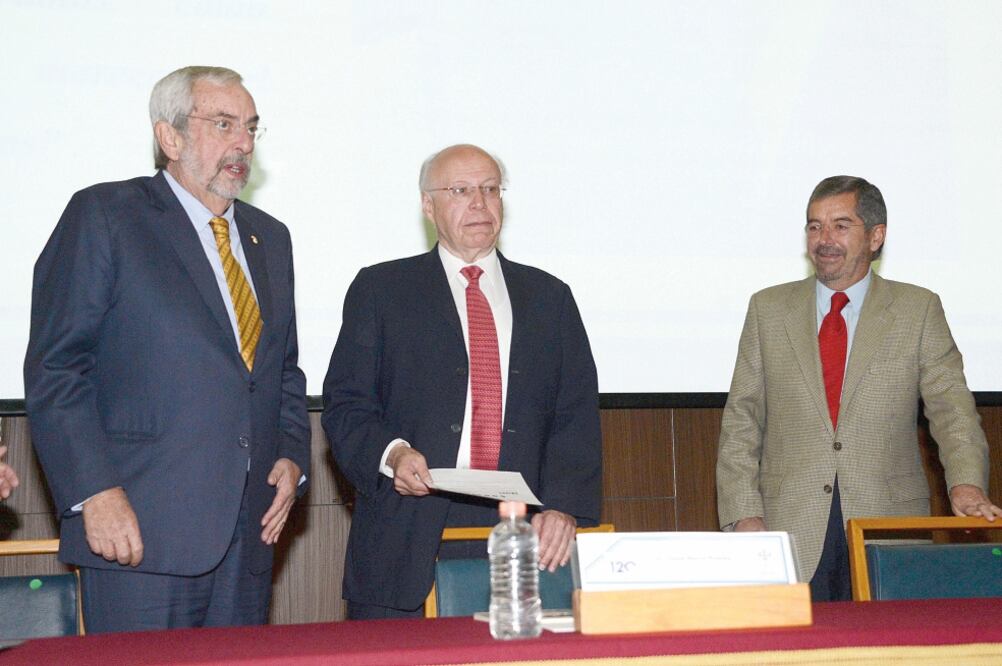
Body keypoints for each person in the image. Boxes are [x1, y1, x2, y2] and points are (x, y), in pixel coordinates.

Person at [23, 66, 310, 632]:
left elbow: (281, 372)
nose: (243, 143)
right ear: (170, 137)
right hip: (138, 533)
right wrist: (93, 493)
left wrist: (292, 456)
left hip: (249, 537)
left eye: (251, 127)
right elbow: (57, 368)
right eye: (223, 124)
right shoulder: (106, 215)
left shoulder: (270, 237)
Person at [322, 144, 602, 619]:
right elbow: (347, 404)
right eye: (460, 190)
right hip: (407, 530)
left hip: (524, 531)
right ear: (427, 205)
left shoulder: (549, 297)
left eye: (490, 189)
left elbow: (573, 414)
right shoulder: (381, 290)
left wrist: (564, 505)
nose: (479, 202)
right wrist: (393, 455)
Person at [716, 175, 1001, 601]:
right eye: (815, 226)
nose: (824, 239)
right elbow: (742, 420)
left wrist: (966, 483)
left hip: (887, 531)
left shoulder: (918, 309)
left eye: (840, 225)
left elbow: (952, 409)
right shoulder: (767, 309)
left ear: (876, 236)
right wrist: (743, 513)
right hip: (787, 529)